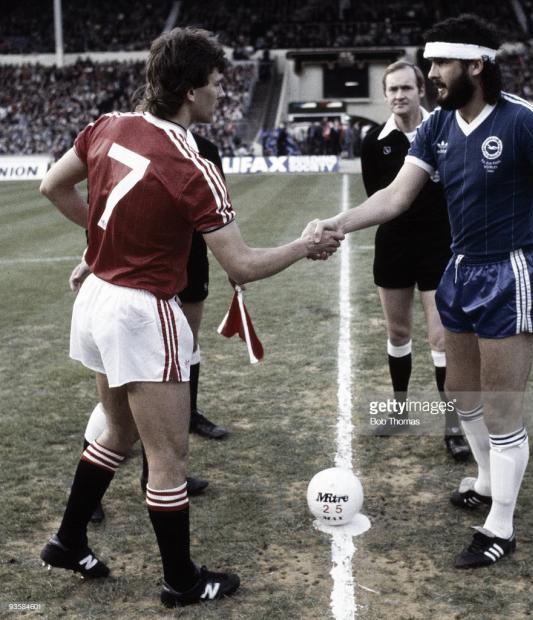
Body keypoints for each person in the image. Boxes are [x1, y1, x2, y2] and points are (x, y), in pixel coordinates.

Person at [39, 27, 341, 607]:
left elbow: (54, 185)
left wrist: (106, 237)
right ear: (190, 90)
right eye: (216, 82)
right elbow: (244, 265)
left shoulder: (108, 125)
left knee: (119, 429)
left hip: (98, 297)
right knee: (169, 455)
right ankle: (181, 580)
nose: (221, 93)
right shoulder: (190, 163)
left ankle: (68, 538)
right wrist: (306, 244)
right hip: (142, 311)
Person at [307, 14, 533, 568]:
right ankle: (486, 482)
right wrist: (336, 223)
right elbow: (394, 198)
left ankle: (501, 527)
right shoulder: (437, 126)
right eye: (431, 63)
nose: (432, 74)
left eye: (440, 64)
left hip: (509, 273)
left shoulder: (522, 120)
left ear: (476, 66)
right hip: (457, 271)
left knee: (503, 408)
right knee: (462, 393)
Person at [71, 133, 228, 525]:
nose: (220, 92)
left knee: (183, 357)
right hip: (142, 279)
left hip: (189, 266)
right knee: (130, 382)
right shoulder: (134, 138)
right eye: (213, 83)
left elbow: (217, 221)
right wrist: (93, 256)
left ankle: (156, 474)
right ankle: (106, 478)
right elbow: (114, 211)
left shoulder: (205, 150)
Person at [360, 60, 470, 460]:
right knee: (398, 334)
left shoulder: (444, 128)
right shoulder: (374, 142)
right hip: (393, 247)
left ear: (421, 90)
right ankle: (401, 407)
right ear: (385, 95)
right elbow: (379, 199)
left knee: (442, 339)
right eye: (393, 90)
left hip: (440, 248)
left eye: (407, 88)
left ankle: (452, 426)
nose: (400, 96)